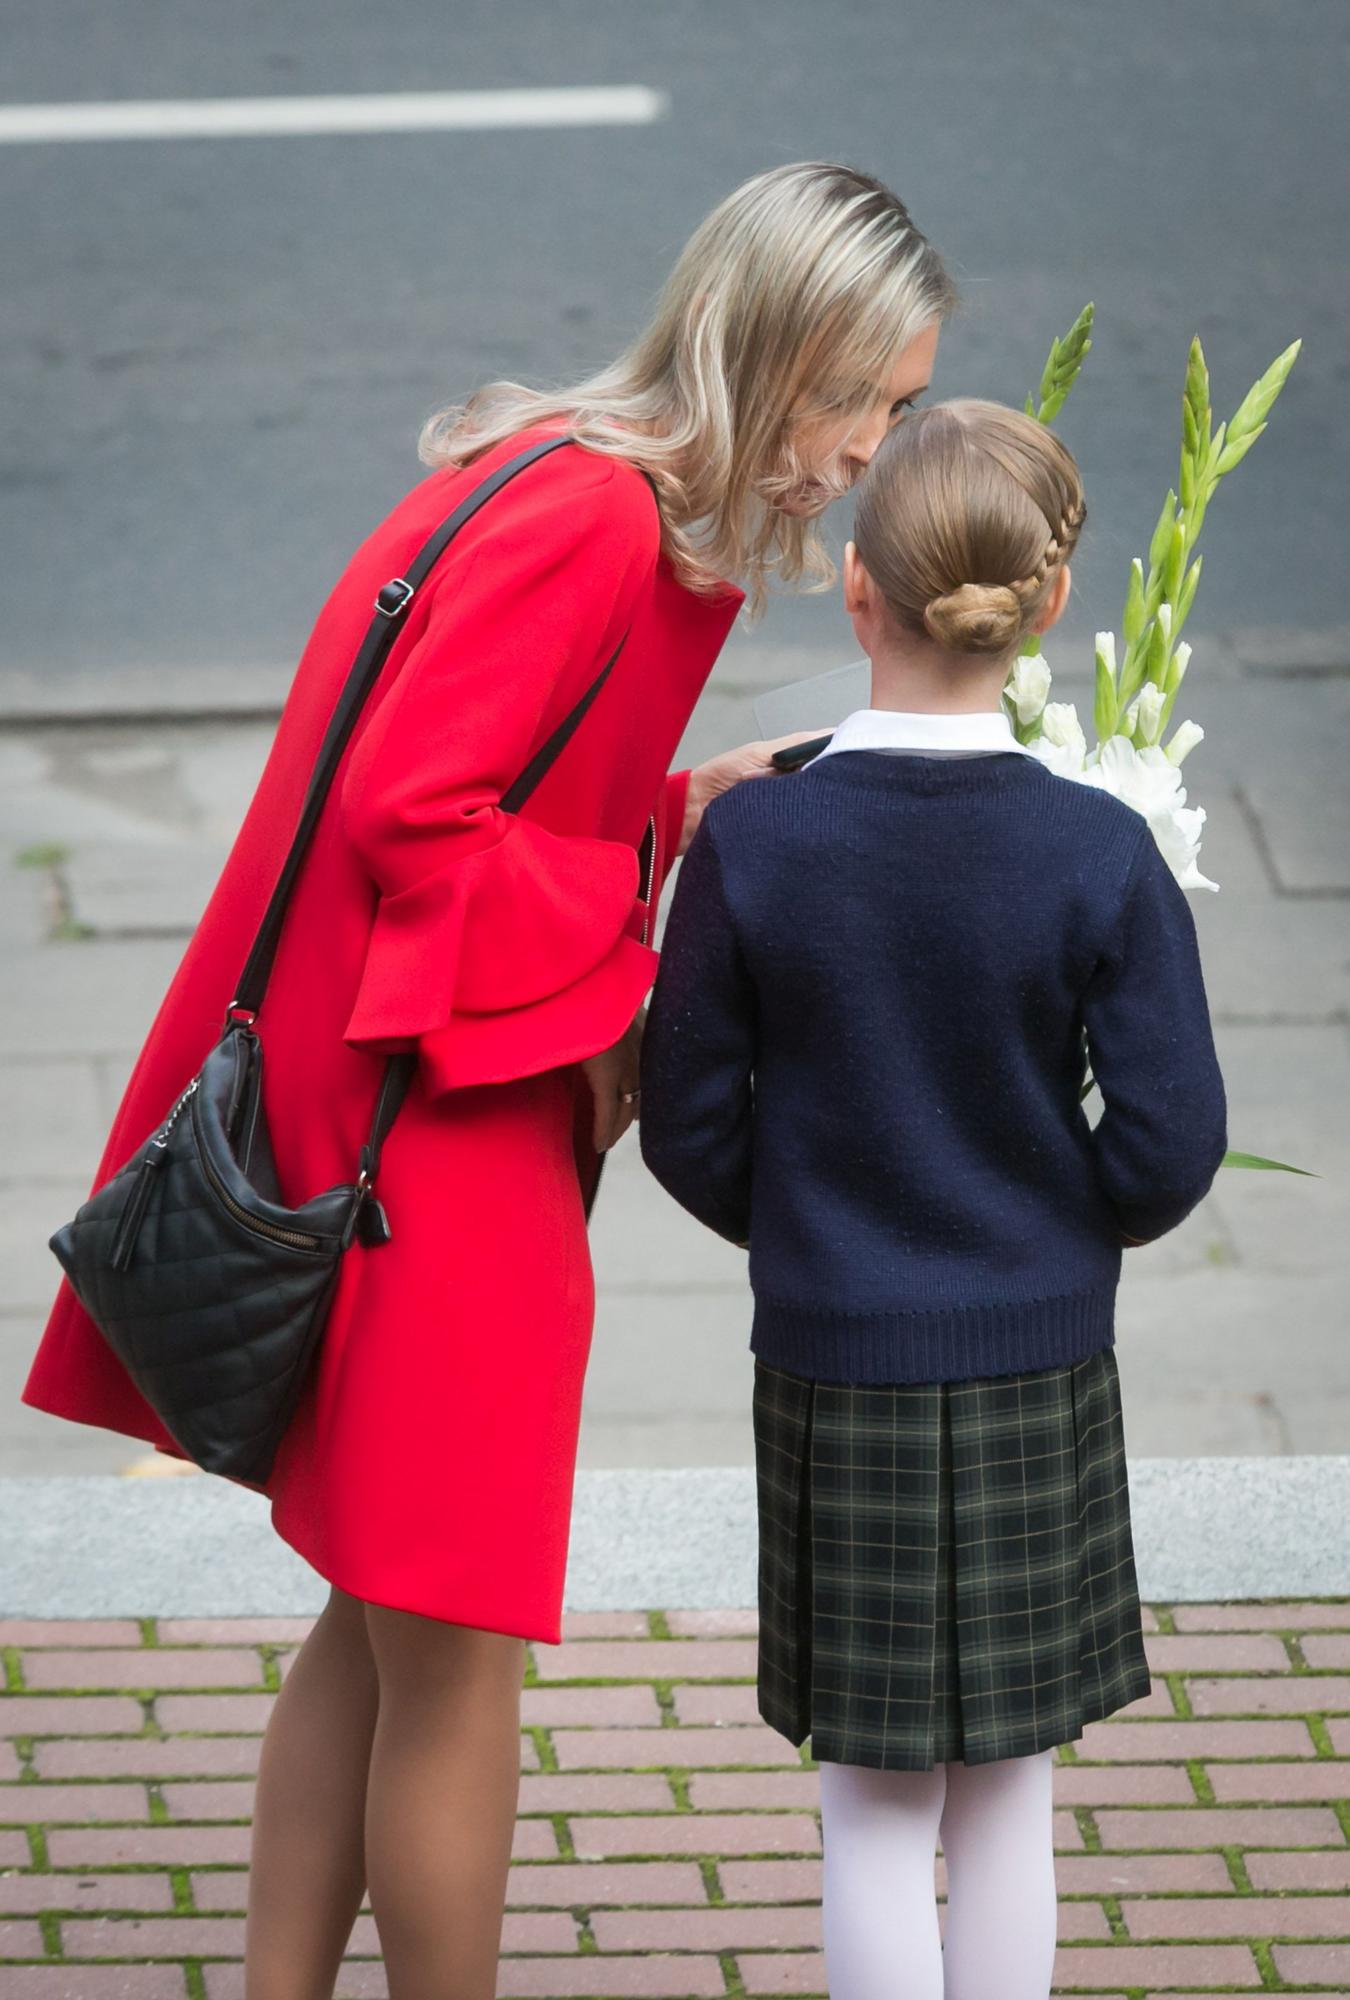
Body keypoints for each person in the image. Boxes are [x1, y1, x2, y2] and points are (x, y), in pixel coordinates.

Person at [21, 163, 955, 2000]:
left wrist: (680, 804)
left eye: (905, 408)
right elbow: (411, 812)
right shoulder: (603, 524)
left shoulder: (556, 470)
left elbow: (458, 782)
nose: (869, 451)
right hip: (427, 1135)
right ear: (773, 357)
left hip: (372, 1096)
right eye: (863, 397)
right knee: (451, 1647)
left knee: (374, 1632)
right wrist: (631, 911)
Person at [639, 399, 1228, 2000]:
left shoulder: (757, 839)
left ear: (853, 590)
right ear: (1046, 607)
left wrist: (819, 1221)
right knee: (1012, 1794)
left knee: (872, 1802)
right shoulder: (1094, 848)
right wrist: (1051, 1218)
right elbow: (1171, 1141)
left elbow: (685, 1126)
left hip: (837, 1362)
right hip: (1037, 1361)